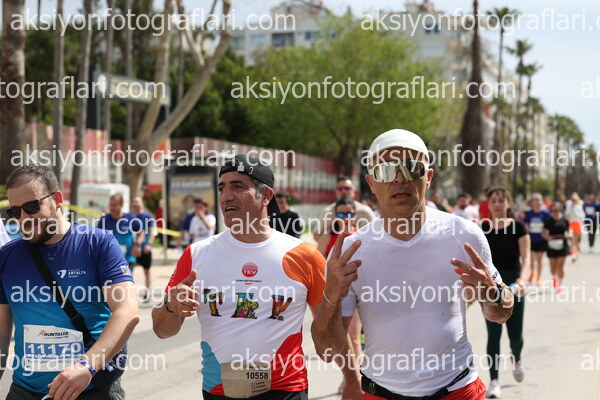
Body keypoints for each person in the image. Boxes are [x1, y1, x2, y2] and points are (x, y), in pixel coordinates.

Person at [312, 129, 514, 400]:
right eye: (386, 171)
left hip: (458, 390)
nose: (399, 178)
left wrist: (494, 294)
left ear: (428, 177)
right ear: (371, 182)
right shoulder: (351, 252)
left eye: (411, 167)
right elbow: (327, 350)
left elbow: (501, 314)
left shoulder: (464, 235)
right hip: (382, 393)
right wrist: (331, 297)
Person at [152, 154, 329, 400]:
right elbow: (162, 330)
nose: (226, 196)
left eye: (238, 186)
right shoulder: (196, 254)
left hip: (285, 390)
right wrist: (171, 305)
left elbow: (330, 343)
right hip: (218, 391)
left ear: (266, 196)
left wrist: (351, 377)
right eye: (222, 188)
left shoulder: (305, 256)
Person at [0, 166, 139, 399]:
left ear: (57, 199)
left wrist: (87, 366)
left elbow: (127, 311)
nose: (23, 219)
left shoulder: (98, 244)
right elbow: (2, 335)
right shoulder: (6, 257)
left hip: (90, 389)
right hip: (25, 392)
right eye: (15, 211)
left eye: (31, 207)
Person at [480, 188, 530, 399]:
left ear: (508, 203)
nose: (497, 203)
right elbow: (479, 260)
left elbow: (526, 258)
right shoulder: (482, 228)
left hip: (513, 286)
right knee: (493, 335)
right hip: (492, 288)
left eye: (501, 200)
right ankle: (494, 381)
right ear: (489, 204)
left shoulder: (518, 227)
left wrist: (522, 280)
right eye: (493, 200)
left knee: (515, 336)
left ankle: (516, 357)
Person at [316, 196, 361, 395]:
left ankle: (354, 378)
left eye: (349, 213)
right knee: (339, 337)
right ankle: (350, 375)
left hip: (357, 291)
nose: (345, 217)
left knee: (354, 336)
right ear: (335, 215)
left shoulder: (361, 236)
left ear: (355, 215)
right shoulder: (329, 236)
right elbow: (317, 262)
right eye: (341, 214)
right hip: (333, 294)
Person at [314, 176, 375, 242]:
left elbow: (376, 232)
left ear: (354, 191)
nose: (343, 191)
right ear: (336, 191)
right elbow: (316, 235)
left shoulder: (365, 211)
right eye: (340, 188)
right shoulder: (327, 212)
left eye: (347, 188)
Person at [98, 194, 145, 270]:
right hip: (110, 259)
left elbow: (141, 234)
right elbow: (98, 238)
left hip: (128, 259)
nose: (112, 208)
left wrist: (137, 245)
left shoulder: (131, 218)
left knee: (125, 276)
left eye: (115, 205)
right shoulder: (104, 219)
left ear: (121, 205)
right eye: (110, 205)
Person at [131, 196, 156, 301]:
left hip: (145, 249)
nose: (135, 204)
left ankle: (147, 293)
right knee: (129, 272)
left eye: (137, 202)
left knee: (147, 272)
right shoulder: (130, 217)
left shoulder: (148, 216)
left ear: (142, 204)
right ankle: (130, 294)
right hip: (133, 249)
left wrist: (148, 244)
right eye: (134, 202)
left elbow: (152, 232)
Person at [542, 203, 570, 292]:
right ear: (551, 211)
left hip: (562, 244)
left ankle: (560, 285)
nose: (556, 212)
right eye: (554, 210)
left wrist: (570, 235)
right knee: (553, 268)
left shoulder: (564, 220)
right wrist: (547, 237)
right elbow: (543, 232)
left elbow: (569, 230)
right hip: (552, 245)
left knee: (560, 266)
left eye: (558, 210)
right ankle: (554, 277)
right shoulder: (548, 221)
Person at [523, 193, 550, 286]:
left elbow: (549, 224)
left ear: (542, 202)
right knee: (531, 259)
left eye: (539, 200)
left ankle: (539, 277)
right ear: (532, 203)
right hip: (531, 239)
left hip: (541, 239)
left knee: (539, 259)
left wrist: (545, 230)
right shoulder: (529, 213)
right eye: (535, 201)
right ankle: (532, 272)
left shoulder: (545, 213)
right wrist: (527, 228)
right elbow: (525, 223)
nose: (537, 202)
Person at [565, 193, 584, 261]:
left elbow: (582, 216)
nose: (573, 201)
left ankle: (575, 253)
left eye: (574, 200)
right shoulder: (569, 207)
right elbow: (566, 215)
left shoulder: (579, 207)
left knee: (575, 241)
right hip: (571, 224)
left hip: (577, 223)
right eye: (572, 200)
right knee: (571, 239)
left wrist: (576, 213)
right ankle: (573, 254)